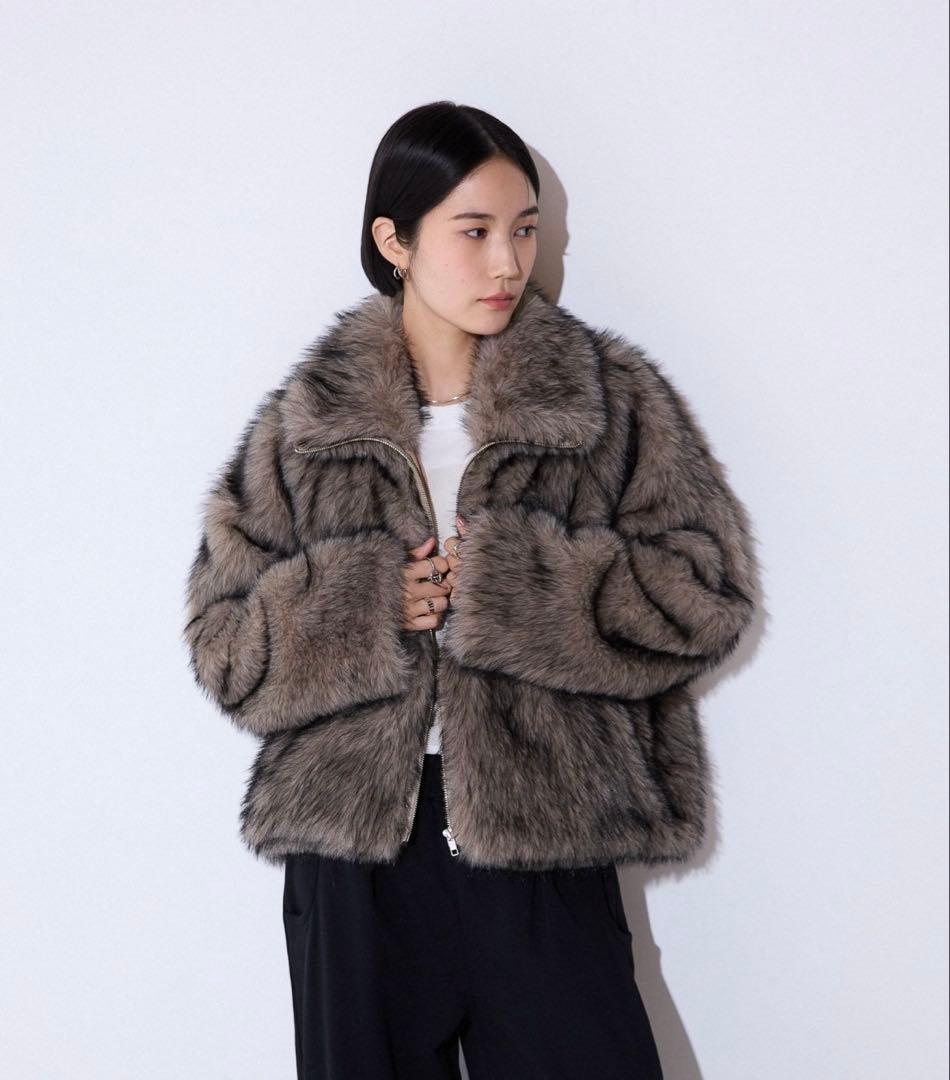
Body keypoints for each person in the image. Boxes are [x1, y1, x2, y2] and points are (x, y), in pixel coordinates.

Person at [182, 100, 758, 1079]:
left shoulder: (606, 401)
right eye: (475, 231)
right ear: (394, 241)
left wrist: (515, 591)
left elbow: (704, 594)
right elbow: (225, 647)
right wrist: (364, 608)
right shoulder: (305, 427)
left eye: (524, 230)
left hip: (547, 839)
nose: (508, 263)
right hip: (356, 858)